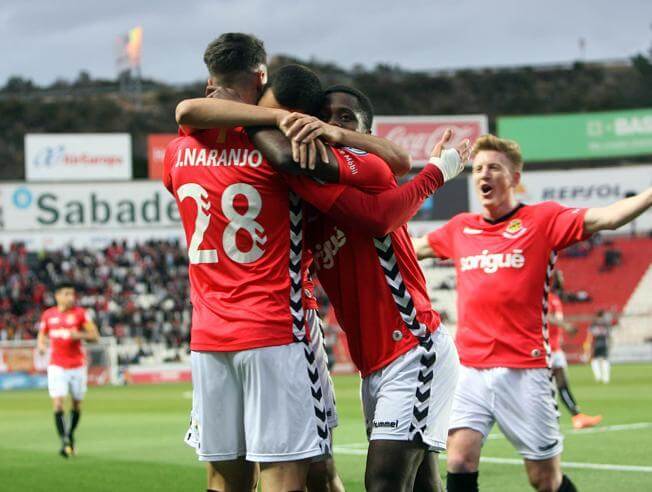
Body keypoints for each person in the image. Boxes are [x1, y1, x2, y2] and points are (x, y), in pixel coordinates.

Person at [169, 33, 459, 492]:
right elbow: (395, 163)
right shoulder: (289, 162)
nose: (325, 125)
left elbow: (187, 113)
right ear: (260, 77)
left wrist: (344, 138)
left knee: (236, 477)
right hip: (283, 333)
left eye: (344, 120)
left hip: (401, 344)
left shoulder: (178, 152)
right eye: (323, 117)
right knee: (315, 471)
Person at [413, 134, 652, 492]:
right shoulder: (460, 227)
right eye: (478, 168)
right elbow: (407, 248)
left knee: (544, 479)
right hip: (470, 369)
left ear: (515, 177)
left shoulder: (543, 220)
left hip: (524, 369)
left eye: (494, 167)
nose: (484, 174)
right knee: (459, 459)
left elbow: (609, 218)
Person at [37, 281, 100, 458]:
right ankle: (65, 442)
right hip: (57, 366)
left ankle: (69, 435)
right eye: (66, 294)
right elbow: (41, 335)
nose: (70, 297)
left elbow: (95, 336)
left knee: (76, 404)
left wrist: (78, 335)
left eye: (72, 294)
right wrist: (41, 345)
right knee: (57, 404)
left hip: (77, 366)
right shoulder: (48, 315)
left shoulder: (80, 314)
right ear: (57, 296)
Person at [548, 271, 602, 429]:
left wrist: (560, 334)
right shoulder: (547, 298)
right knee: (547, 387)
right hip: (546, 349)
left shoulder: (555, 298)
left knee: (562, 383)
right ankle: (548, 419)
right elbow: (546, 316)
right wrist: (565, 325)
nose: (563, 279)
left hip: (555, 347)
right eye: (560, 276)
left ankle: (577, 416)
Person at [590, 310, 615, 383]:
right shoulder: (606, 323)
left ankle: (598, 376)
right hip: (604, 343)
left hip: (596, 343)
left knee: (594, 360)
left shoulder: (594, 324)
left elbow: (591, 333)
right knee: (605, 360)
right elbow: (609, 334)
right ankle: (606, 378)